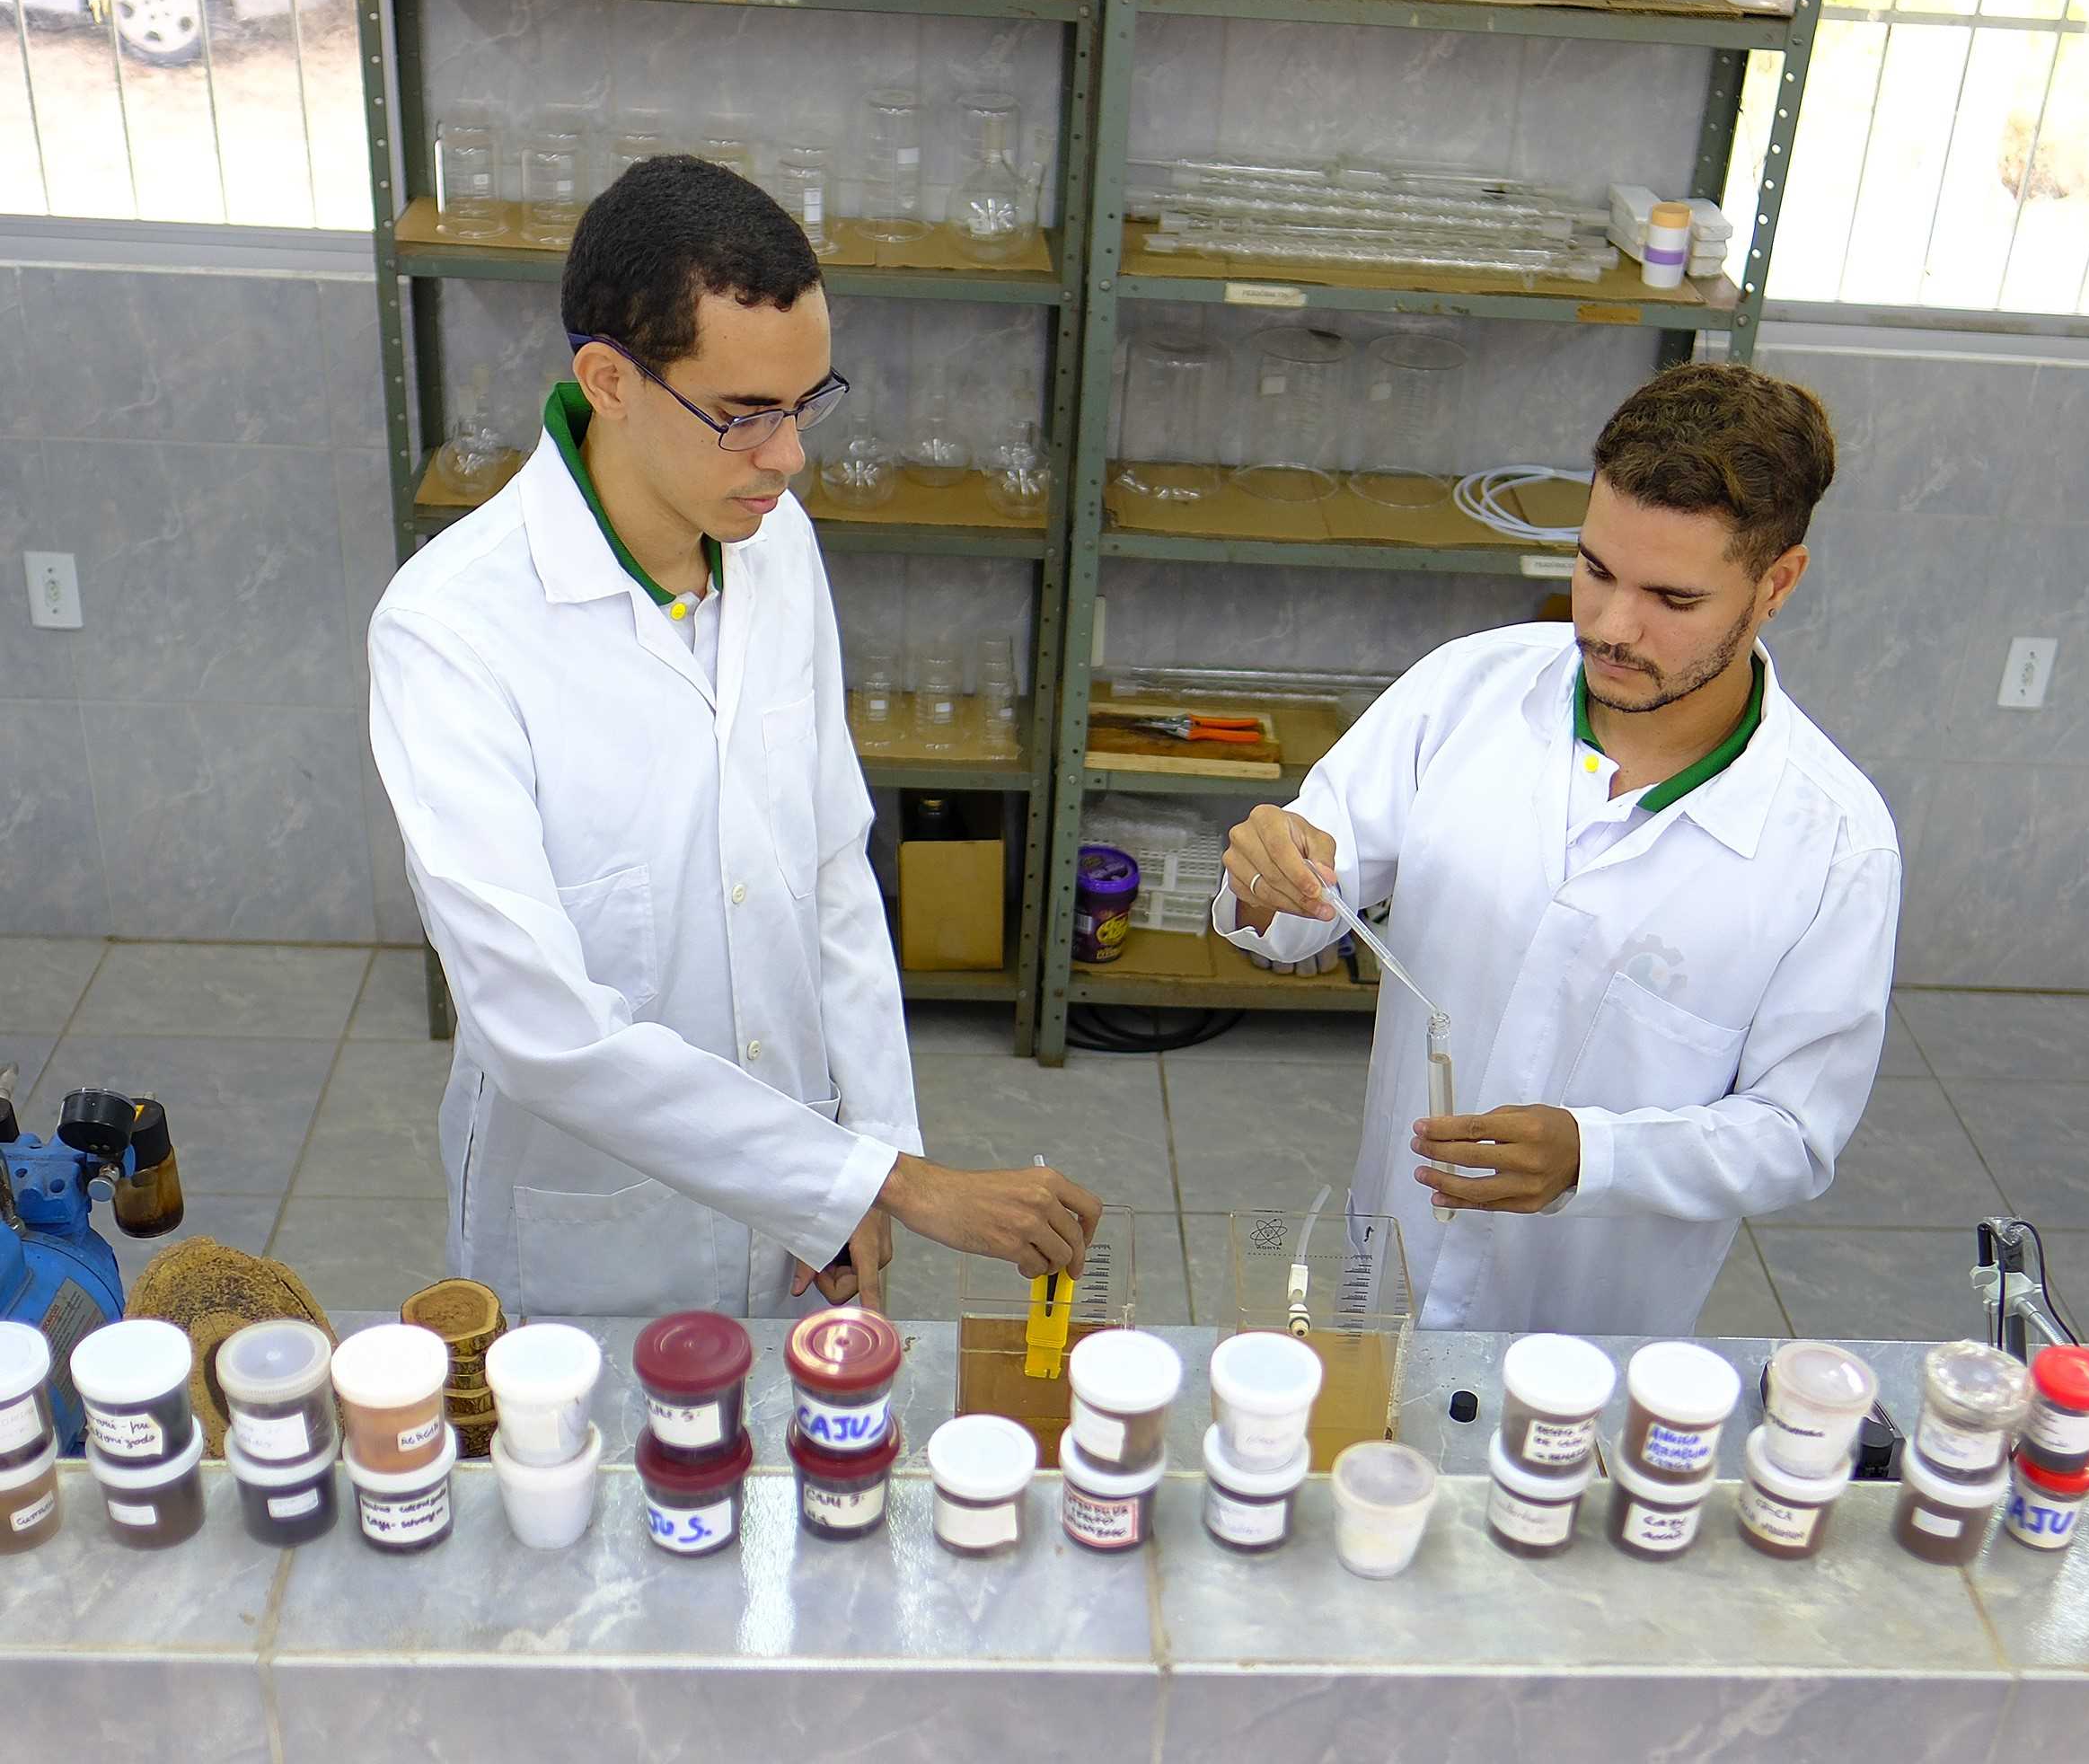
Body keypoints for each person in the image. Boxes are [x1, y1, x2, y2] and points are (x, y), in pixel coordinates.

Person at [369, 157, 1098, 1320]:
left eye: (809, 404)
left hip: (803, 1221)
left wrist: (864, 1149)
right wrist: (884, 1181)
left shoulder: (776, 546)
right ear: (609, 380)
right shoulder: (450, 630)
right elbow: (537, 1026)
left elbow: (829, 870)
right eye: (747, 415)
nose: (790, 456)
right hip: (590, 1244)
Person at [1214, 362, 1899, 1336]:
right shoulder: (1465, 691)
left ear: (1776, 583)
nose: (1613, 627)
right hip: (1387, 1280)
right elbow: (1281, 916)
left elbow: (1793, 1135)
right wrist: (1262, 876)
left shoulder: (1836, 848)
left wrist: (1593, 1156)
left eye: (1673, 597)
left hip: (1590, 1340)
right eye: (1596, 569)